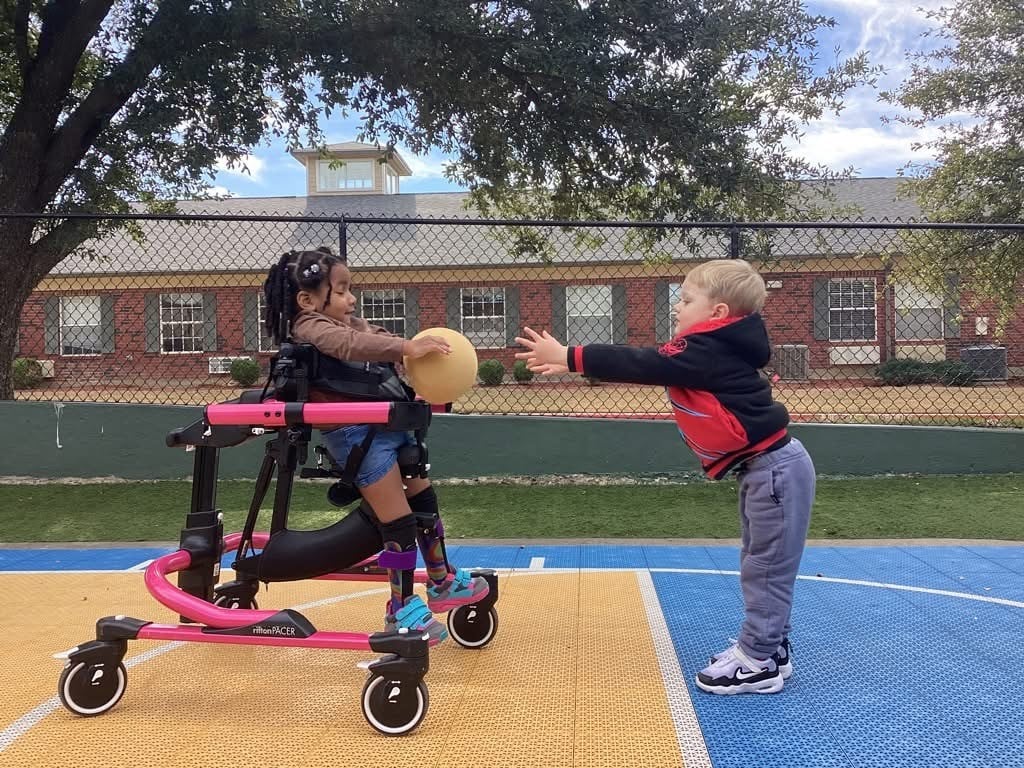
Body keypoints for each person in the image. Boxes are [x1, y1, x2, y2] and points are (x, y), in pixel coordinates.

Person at [515, 259, 815, 695]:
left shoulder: (708, 349)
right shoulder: (717, 347)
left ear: (718, 313)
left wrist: (569, 356)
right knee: (761, 564)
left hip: (775, 473)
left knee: (765, 569)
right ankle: (770, 648)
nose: (677, 307)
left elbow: (644, 362)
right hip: (768, 470)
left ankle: (757, 660)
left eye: (687, 299)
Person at [263, 247, 489, 645]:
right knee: (397, 521)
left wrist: (419, 349)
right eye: (342, 290)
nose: (351, 299)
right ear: (307, 299)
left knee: (424, 502)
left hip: (389, 425)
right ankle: (400, 608)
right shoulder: (311, 329)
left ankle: (441, 580)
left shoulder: (350, 324)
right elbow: (348, 345)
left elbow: (370, 338)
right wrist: (404, 348)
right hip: (357, 437)